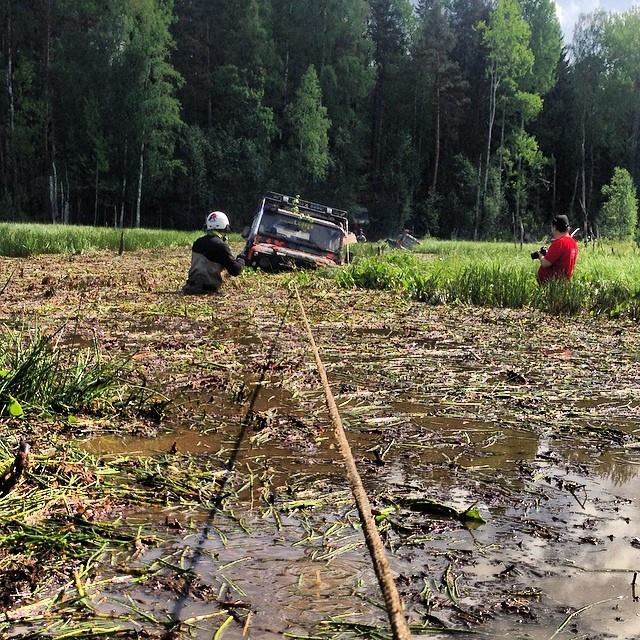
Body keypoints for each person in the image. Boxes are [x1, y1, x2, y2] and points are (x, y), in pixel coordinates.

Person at [183, 211, 244, 294]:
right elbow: (235, 270)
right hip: (207, 290)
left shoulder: (198, 242)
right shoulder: (220, 246)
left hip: (190, 287)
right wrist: (241, 259)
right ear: (224, 227)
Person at [536, 214, 578, 284]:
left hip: (553, 283)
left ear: (554, 227)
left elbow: (545, 263)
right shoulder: (573, 243)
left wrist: (540, 256)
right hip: (564, 281)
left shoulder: (559, 243)